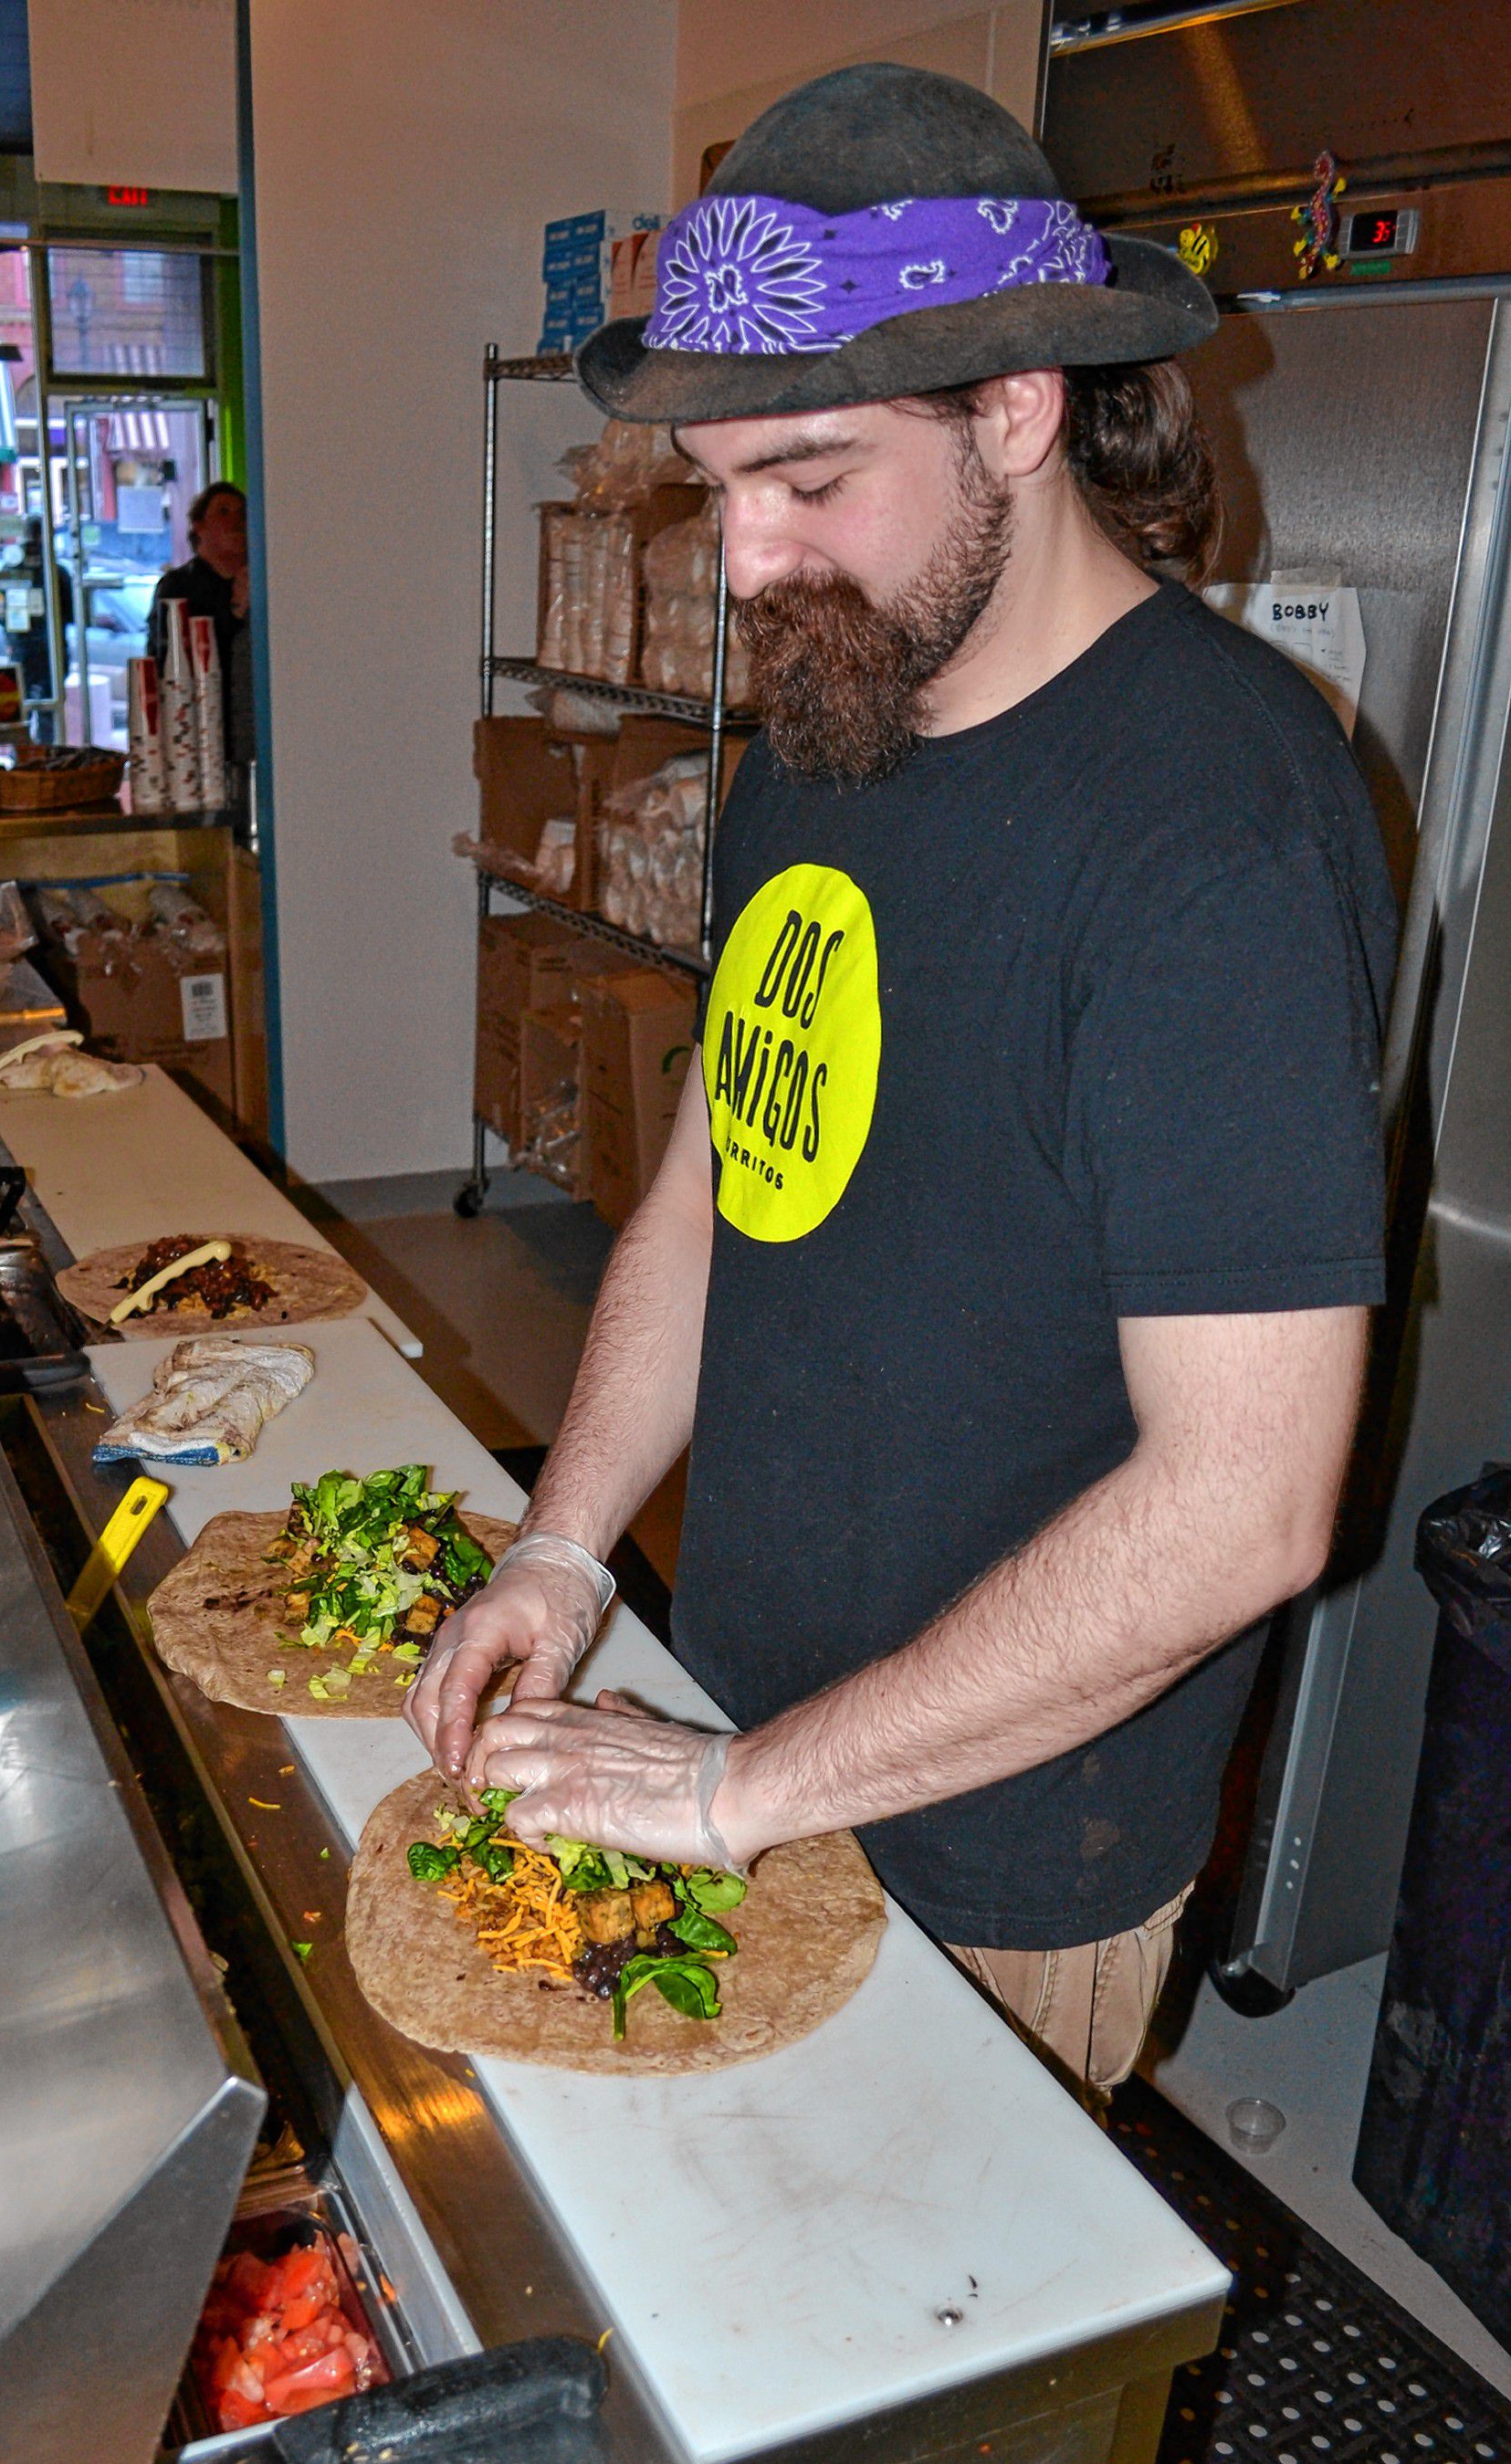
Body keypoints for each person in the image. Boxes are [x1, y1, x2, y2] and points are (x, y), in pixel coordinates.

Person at [407, 63, 1398, 2108]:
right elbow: (712, 1179)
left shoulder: (1214, 831)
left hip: (1000, 1833)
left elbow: (1245, 1507)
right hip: (732, 1702)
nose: (750, 560)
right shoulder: (825, 736)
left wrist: (745, 1792)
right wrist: (568, 1549)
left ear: (1015, 411)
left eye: (813, 477)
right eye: (719, 483)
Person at [148, 478, 252, 765]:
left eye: (243, 512)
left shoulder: (264, 581)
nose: (237, 520)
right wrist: (234, 612)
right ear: (198, 525)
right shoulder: (177, 587)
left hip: (253, 733)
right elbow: (171, 661)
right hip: (199, 739)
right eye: (223, 511)